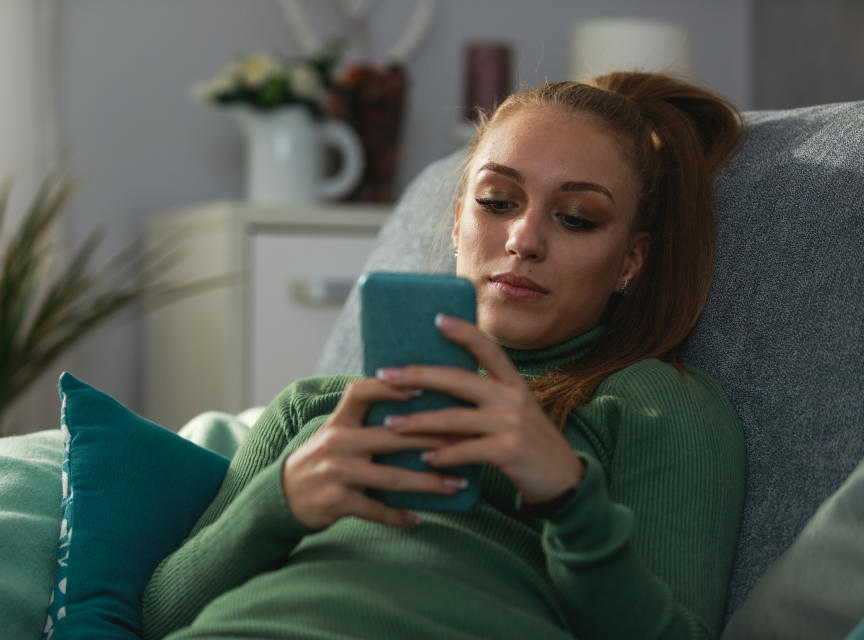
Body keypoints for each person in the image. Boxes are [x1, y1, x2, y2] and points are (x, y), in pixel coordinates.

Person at [142, 71, 745, 639]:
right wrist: (282, 504)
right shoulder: (313, 407)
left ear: (630, 262)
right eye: (498, 202)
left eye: (576, 218)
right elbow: (160, 614)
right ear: (457, 223)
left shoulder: (654, 401)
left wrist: (566, 498)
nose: (523, 240)